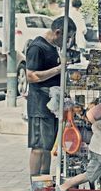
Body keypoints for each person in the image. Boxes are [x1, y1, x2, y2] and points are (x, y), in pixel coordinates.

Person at [26, 16, 77, 178]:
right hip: (40, 105)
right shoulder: (37, 47)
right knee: (39, 147)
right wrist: (58, 69)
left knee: (47, 146)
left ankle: (45, 181)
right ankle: (35, 184)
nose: (68, 41)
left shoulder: (53, 47)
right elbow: (31, 76)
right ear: (58, 32)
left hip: (52, 105)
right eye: (67, 38)